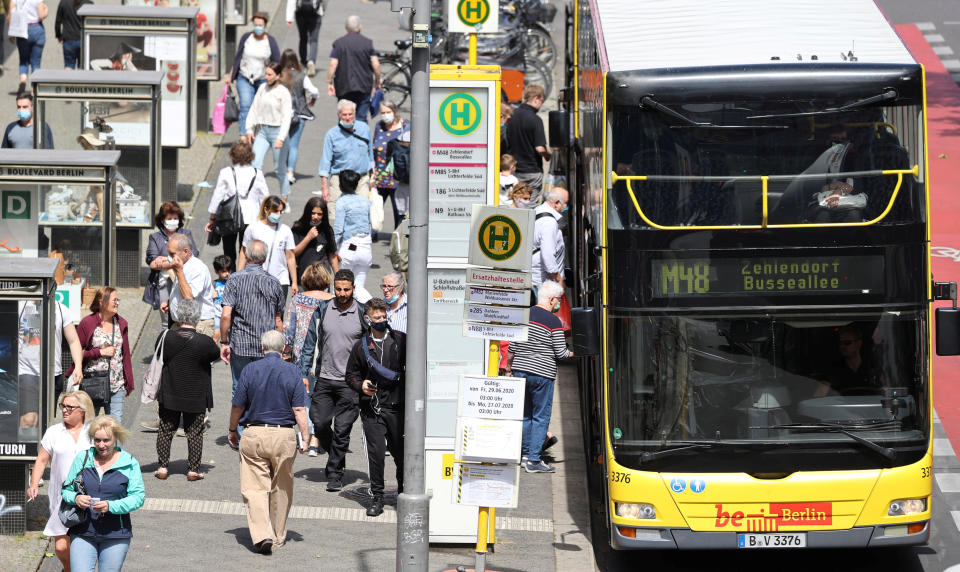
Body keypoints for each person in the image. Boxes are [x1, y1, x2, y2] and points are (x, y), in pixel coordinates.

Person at [228, 330, 310, 555]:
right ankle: (278, 534)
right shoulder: (293, 371)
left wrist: (233, 429)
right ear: (284, 349)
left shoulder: (250, 370)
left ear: (262, 348)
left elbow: (237, 406)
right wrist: (305, 436)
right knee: (282, 486)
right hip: (284, 435)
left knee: (254, 488)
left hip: (254, 433)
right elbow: (299, 409)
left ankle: (262, 534)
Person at [298, 268, 366, 492]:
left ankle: (335, 473)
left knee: (343, 429)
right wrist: (304, 373)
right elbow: (309, 342)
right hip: (325, 379)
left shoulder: (361, 313)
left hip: (350, 383)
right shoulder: (324, 309)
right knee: (319, 422)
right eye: (338, 289)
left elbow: (370, 348)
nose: (342, 293)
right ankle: (337, 457)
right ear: (333, 288)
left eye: (347, 289)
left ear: (353, 289)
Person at [60, 415, 145, 571]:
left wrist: (110, 506)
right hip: (82, 531)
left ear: (116, 438)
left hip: (116, 534)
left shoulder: (129, 462)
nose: (101, 445)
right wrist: (76, 498)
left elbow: (138, 498)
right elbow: (66, 490)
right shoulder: (83, 458)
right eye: (97, 440)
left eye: (106, 440)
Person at [345, 298, 405, 516]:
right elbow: (350, 374)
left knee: (401, 455)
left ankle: (403, 493)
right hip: (372, 410)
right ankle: (377, 497)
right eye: (377, 317)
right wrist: (361, 385)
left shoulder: (400, 340)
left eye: (384, 316)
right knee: (376, 455)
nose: (382, 320)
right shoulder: (361, 346)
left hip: (398, 408)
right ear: (367, 318)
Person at [506, 281, 572, 473]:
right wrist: (575, 354)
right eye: (558, 300)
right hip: (542, 374)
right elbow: (560, 353)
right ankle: (534, 460)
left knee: (525, 415)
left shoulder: (524, 315)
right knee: (540, 417)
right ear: (551, 300)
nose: (558, 304)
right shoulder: (553, 321)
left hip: (520, 370)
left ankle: (525, 455)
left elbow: (512, 347)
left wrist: (509, 368)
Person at [27, 391, 95, 572]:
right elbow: (41, 460)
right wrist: (34, 484)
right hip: (61, 497)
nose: (64, 410)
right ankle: (69, 569)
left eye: (69, 407)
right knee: (61, 547)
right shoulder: (54, 432)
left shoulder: (93, 432)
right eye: (62, 406)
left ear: (82, 410)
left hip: (87, 496)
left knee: (83, 543)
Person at [154, 299, 220, 481]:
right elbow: (215, 355)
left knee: (165, 430)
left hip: (170, 392)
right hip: (196, 394)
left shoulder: (165, 337)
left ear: (178, 316)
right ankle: (193, 470)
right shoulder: (205, 342)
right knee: (195, 432)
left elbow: (158, 354)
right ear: (197, 317)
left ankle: (162, 467)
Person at [220, 239, 286, 398]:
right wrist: (281, 348)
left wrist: (224, 342)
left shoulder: (234, 279)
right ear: (265, 258)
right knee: (263, 389)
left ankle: (240, 422)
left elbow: (226, 315)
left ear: (246, 255)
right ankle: (257, 421)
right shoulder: (274, 283)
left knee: (240, 387)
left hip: (240, 343)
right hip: (266, 345)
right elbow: (278, 320)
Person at [284, 262, 333, 456]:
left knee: (304, 396)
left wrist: (286, 352)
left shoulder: (298, 299)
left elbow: (289, 329)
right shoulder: (333, 300)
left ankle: (306, 435)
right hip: (325, 354)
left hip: (300, 354)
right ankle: (316, 437)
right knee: (322, 396)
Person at [68, 287, 134, 424]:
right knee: (89, 425)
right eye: (114, 300)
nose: (117, 303)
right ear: (101, 302)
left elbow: (125, 354)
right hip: (92, 383)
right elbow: (77, 352)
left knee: (115, 427)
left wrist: (129, 382)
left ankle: (115, 447)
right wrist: (99, 352)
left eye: (118, 300)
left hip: (116, 384)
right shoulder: (87, 323)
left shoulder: (121, 323)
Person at [206, 140, 269, 266]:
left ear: (232, 155)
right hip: (252, 217)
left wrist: (212, 218)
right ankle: (244, 277)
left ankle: (230, 275)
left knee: (228, 250)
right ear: (250, 155)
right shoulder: (257, 174)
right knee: (246, 250)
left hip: (229, 217)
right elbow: (265, 198)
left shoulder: (226, 172)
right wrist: (266, 219)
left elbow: (217, 196)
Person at [143, 201, 199, 330]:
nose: (173, 221)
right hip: (163, 283)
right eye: (169, 218)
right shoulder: (155, 237)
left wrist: (165, 260)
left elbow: (193, 254)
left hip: (184, 280)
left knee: (185, 318)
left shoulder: (186, 234)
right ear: (162, 220)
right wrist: (174, 262)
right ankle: (166, 347)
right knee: (165, 321)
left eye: (175, 218)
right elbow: (152, 262)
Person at [244, 61, 293, 204]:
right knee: (255, 164)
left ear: (278, 75)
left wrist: (281, 137)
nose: (266, 77)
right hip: (263, 131)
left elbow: (286, 117)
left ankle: (284, 197)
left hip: (278, 132)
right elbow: (254, 108)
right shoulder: (262, 88)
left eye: (270, 74)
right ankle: (256, 197)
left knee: (279, 168)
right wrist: (249, 128)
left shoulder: (283, 92)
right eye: (266, 73)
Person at [317, 99, 373, 223]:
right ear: (339, 115)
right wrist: (324, 187)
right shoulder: (332, 135)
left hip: (361, 179)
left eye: (350, 114)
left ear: (355, 114)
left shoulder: (364, 129)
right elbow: (325, 162)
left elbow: (370, 155)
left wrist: (373, 177)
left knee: (362, 215)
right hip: (339, 180)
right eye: (344, 114)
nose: (348, 117)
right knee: (337, 217)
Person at [228, 12, 280, 138]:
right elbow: (238, 56)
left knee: (259, 107)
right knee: (245, 104)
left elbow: (277, 61)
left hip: (263, 79)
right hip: (244, 77)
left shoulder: (270, 41)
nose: (258, 27)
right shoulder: (246, 38)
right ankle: (244, 134)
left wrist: (276, 79)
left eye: (260, 25)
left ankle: (255, 133)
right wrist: (230, 75)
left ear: (265, 25)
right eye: (256, 24)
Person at [159, 233, 218, 338]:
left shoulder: (197, 268)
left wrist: (179, 271)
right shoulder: (183, 265)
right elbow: (181, 290)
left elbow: (189, 297)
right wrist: (171, 302)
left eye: (172, 254)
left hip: (198, 324)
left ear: (186, 251)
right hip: (181, 324)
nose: (170, 257)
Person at [239, 195, 298, 296]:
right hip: (256, 279)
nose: (278, 215)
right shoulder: (253, 228)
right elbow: (244, 253)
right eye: (275, 211)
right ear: (266, 209)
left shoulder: (285, 230)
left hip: (280, 280)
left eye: (281, 212)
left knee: (278, 311)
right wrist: (239, 275)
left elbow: (290, 257)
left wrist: (294, 282)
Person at [326, 15, 379, 122]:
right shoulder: (367, 43)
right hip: (364, 85)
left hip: (344, 86)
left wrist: (330, 82)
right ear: (360, 27)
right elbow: (376, 64)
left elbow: (333, 64)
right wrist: (377, 82)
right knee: (361, 117)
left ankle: (345, 135)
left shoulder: (339, 43)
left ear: (346, 28)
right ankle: (361, 136)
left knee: (345, 116)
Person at [278, 48, 319, 185]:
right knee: (294, 145)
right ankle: (291, 172)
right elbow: (314, 91)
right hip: (300, 113)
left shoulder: (279, 76)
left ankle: (283, 170)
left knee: (284, 142)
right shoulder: (302, 75)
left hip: (282, 115)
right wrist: (313, 99)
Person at [505, 84, 551, 204]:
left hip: (514, 170)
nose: (541, 105)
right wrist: (548, 153)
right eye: (541, 101)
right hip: (532, 172)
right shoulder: (535, 120)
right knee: (529, 206)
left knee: (515, 204)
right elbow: (540, 148)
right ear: (536, 98)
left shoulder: (512, 116)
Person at [371, 100, 409, 228]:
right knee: (375, 210)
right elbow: (374, 148)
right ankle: (372, 234)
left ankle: (399, 239)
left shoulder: (405, 126)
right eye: (383, 112)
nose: (385, 115)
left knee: (400, 212)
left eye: (388, 112)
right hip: (380, 177)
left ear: (394, 112)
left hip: (397, 178)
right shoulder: (379, 126)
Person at [334, 169, 372, 289]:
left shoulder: (341, 202)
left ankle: (374, 306)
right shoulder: (365, 201)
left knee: (341, 288)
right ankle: (371, 306)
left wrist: (332, 248)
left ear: (341, 184)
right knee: (358, 288)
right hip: (366, 247)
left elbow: (339, 229)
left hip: (349, 247)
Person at [815, 325, 873, 397]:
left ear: (859, 343)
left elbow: (887, 393)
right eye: (840, 343)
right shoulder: (833, 370)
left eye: (847, 343)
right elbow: (819, 396)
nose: (842, 346)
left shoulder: (872, 368)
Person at [532, 187, 568, 293]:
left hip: (537, 279)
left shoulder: (537, 210)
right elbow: (547, 255)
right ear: (556, 202)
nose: (566, 206)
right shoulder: (549, 222)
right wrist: (559, 280)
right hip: (544, 283)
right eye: (565, 203)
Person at [291, 196, 339, 279]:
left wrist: (338, 278)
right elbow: (293, 253)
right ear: (308, 212)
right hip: (303, 279)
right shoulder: (298, 228)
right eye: (313, 213)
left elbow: (332, 256)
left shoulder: (327, 230)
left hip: (322, 280)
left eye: (319, 214)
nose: (316, 217)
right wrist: (308, 238)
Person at [9, 0, 48, 92]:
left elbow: (11, 13)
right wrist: (46, 10)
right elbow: (41, 15)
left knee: (23, 60)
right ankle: (34, 87)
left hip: (21, 30)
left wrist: (11, 33)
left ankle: (23, 81)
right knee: (36, 62)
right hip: (37, 28)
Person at [285, 0, 322, 76]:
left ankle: (303, 63)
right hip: (315, 13)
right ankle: (311, 61)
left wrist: (289, 18)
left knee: (303, 38)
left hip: (300, 14)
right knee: (314, 40)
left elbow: (291, 1)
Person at [54, 0, 89, 69]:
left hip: (68, 39)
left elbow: (58, 22)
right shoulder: (88, 3)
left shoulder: (63, 2)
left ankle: (68, 79)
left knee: (69, 65)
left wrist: (59, 36)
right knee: (82, 66)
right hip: (83, 39)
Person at [212, 254, 231, 342]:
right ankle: (213, 354)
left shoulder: (232, 283)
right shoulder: (214, 284)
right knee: (216, 334)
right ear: (216, 271)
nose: (227, 273)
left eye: (228, 270)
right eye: (223, 271)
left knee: (231, 336)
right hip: (217, 314)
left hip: (229, 314)